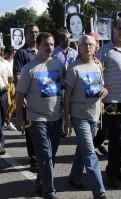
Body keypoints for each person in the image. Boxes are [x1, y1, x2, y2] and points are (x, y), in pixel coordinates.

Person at [15, 32, 64, 199]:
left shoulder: (58, 65)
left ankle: (40, 183)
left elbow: (69, 82)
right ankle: (49, 192)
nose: (49, 47)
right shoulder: (29, 68)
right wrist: (20, 118)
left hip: (56, 118)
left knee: (51, 155)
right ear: (38, 46)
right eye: (45, 44)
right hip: (36, 119)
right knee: (44, 155)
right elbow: (19, 95)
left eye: (51, 44)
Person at [64, 35, 107, 199]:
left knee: (82, 150)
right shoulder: (74, 68)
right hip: (79, 115)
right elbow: (67, 95)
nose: (88, 47)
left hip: (94, 115)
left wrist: (104, 93)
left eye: (91, 44)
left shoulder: (98, 65)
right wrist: (67, 120)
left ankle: (74, 178)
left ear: (95, 47)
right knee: (90, 151)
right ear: (79, 47)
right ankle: (99, 190)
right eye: (84, 44)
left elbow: (101, 87)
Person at [95, 18, 121, 189]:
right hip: (111, 102)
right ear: (113, 30)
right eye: (120, 28)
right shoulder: (104, 50)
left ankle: (116, 169)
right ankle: (111, 173)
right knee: (115, 138)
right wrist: (101, 92)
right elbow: (95, 74)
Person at [13, 23, 39, 172]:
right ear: (25, 35)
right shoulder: (22, 53)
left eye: (35, 32)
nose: (33, 35)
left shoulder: (41, 50)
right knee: (30, 129)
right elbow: (17, 75)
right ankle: (34, 159)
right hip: (28, 96)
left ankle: (40, 155)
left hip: (41, 97)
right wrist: (21, 95)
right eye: (30, 33)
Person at [52, 32, 78, 137]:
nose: (68, 41)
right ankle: (62, 128)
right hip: (60, 84)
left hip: (72, 84)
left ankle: (69, 125)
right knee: (62, 105)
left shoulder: (74, 53)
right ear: (60, 40)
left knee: (71, 105)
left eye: (69, 39)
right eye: (65, 39)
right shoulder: (55, 52)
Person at [3, 46, 17, 131]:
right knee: (7, 103)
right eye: (9, 54)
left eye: (12, 54)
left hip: (13, 83)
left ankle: (9, 121)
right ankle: (4, 119)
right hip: (6, 83)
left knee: (13, 103)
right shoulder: (2, 61)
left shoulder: (13, 61)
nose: (11, 56)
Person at [0, 57, 9, 155]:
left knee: (2, 118)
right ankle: (1, 145)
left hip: (3, 93)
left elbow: (10, 77)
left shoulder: (5, 63)